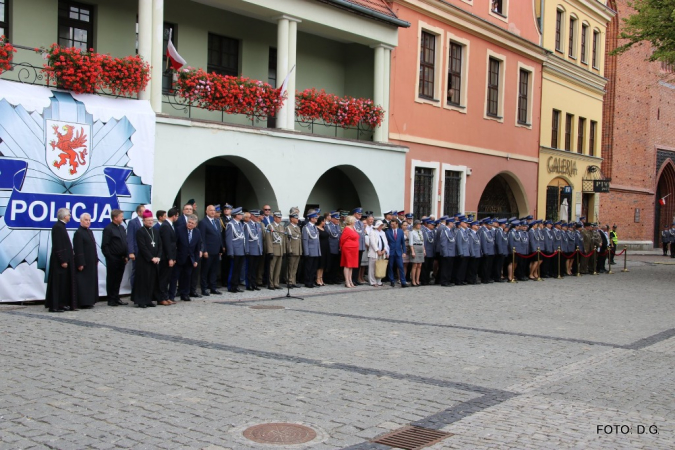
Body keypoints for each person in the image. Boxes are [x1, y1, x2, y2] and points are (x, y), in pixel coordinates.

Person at [45, 208, 76, 312]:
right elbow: (58, 245)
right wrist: (62, 260)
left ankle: (61, 304)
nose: (70, 217)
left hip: (63, 261)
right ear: (64, 216)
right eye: (69, 215)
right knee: (58, 284)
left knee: (63, 284)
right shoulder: (58, 227)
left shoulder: (61, 227)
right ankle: (55, 305)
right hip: (59, 262)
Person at [131, 210, 162, 308]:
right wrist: (151, 258)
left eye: (151, 220)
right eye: (148, 220)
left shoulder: (155, 231)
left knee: (152, 281)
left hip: (155, 261)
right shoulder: (140, 231)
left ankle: (149, 300)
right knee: (143, 281)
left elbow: (160, 245)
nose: (150, 222)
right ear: (144, 221)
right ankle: (141, 301)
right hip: (144, 261)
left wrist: (158, 256)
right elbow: (142, 247)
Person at [101, 209, 129, 307]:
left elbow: (125, 242)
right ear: (115, 217)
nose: (122, 218)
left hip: (122, 258)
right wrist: (110, 257)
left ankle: (116, 297)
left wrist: (126, 255)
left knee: (118, 279)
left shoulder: (121, 228)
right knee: (112, 279)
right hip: (113, 258)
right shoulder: (108, 229)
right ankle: (111, 299)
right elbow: (105, 245)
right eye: (121, 216)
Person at [171, 215, 202, 301]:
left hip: (190, 259)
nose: (190, 224)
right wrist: (173, 258)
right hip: (179, 258)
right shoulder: (179, 229)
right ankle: (171, 295)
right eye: (189, 222)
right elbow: (174, 245)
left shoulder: (197, 232)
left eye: (192, 223)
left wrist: (196, 260)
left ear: (195, 224)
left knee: (187, 277)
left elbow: (197, 247)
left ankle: (185, 294)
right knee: (175, 277)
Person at [73, 213, 99, 309]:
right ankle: (83, 302)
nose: (88, 222)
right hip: (84, 263)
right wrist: (80, 262)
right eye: (86, 220)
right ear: (81, 221)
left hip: (91, 262)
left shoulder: (89, 232)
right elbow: (78, 249)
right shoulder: (79, 233)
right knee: (83, 283)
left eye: (89, 220)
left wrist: (96, 258)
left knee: (91, 282)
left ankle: (90, 300)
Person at [198, 205, 223, 296]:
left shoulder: (216, 221)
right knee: (205, 271)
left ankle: (213, 287)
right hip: (208, 251)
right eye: (211, 210)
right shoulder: (203, 222)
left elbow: (219, 235)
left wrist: (221, 248)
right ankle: (204, 289)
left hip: (216, 250)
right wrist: (204, 250)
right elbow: (202, 237)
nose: (213, 212)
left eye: (214, 210)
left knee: (214, 270)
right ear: (206, 211)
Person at [158, 208, 178, 304]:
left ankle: (166, 297)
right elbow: (167, 243)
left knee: (168, 278)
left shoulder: (170, 225)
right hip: (165, 257)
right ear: (174, 216)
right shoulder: (165, 226)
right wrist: (170, 258)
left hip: (170, 256)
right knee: (164, 278)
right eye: (177, 216)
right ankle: (162, 298)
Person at [226, 207, 246, 293]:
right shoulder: (231, 224)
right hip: (235, 250)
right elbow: (229, 239)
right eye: (240, 214)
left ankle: (236, 285)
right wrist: (230, 251)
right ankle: (231, 286)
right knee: (233, 269)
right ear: (236, 215)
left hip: (241, 250)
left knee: (238, 269)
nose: (242, 215)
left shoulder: (240, 224)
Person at [244, 210, 264, 291]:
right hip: (251, 250)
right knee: (250, 268)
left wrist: (261, 250)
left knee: (255, 268)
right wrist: (247, 250)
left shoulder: (258, 225)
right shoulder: (247, 226)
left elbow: (260, 239)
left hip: (257, 250)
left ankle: (254, 283)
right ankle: (249, 284)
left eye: (257, 216)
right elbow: (246, 239)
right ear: (251, 216)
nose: (257, 218)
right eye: (255, 216)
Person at [266, 211, 286, 290]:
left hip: (280, 249)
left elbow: (283, 239)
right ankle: (271, 284)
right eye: (278, 217)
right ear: (274, 218)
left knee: (278, 268)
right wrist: (270, 251)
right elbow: (269, 240)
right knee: (272, 268)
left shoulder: (281, 227)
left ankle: (276, 283)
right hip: (274, 249)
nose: (280, 219)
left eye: (280, 217)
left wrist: (284, 251)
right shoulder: (270, 226)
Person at [126, 204, 145, 286]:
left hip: (145, 251)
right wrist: (131, 252)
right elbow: (130, 238)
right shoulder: (132, 222)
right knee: (135, 270)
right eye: (144, 211)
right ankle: (134, 290)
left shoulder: (147, 221)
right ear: (139, 212)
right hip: (136, 251)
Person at [385, 219, 408, 288]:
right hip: (391, 251)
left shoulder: (400, 232)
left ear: (397, 224)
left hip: (398, 251)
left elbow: (403, 243)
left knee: (401, 267)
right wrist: (387, 252)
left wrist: (404, 252)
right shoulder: (387, 232)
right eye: (391, 224)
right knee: (390, 266)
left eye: (393, 224)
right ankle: (392, 280)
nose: (392, 225)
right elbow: (386, 243)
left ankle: (403, 281)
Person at [302, 210, 321, 288]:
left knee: (314, 268)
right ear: (311, 218)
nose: (316, 219)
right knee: (308, 268)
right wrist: (306, 252)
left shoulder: (314, 227)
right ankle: (307, 282)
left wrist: (319, 251)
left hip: (315, 250)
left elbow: (317, 241)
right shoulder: (306, 228)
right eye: (315, 218)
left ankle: (312, 281)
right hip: (310, 251)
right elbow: (305, 240)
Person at [339, 215, 360, 288]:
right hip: (348, 248)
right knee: (347, 265)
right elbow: (342, 239)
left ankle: (350, 280)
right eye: (354, 220)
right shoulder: (347, 229)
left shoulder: (353, 228)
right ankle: (347, 281)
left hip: (354, 248)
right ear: (351, 221)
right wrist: (341, 247)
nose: (355, 222)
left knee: (351, 266)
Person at [368, 220, 388, 286]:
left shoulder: (383, 233)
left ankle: (379, 280)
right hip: (374, 252)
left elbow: (385, 242)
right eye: (380, 225)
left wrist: (384, 249)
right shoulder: (372, 232)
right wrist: (377, 250)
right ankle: (372, 281)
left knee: (380, 267)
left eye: (382, 225)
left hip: (382, 252)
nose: (381, 227)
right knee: (372, 267)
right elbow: (373, 242)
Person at [286, 212, 302, 287]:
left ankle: (293, 281)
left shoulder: (297, 227)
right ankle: (289, 281)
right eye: (296, 218)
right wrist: (289, 250)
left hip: (298, 250)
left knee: (295, 267)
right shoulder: (288, 228)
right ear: (292, 219)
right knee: (290, 267)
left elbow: (299, 239)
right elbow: (288, 241)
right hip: (292, 249)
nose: (297, 219)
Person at [325, 212, 342, 284]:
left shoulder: (338, 226)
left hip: (337, 247)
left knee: (336, 265)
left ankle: (334, 278)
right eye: (336, 219)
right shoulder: (328, 226)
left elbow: (340, 235)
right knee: (330, 264)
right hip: (331, 247)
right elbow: (333, 235)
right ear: (332, 219)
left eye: (338, 219)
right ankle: (329, 279)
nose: (338, 220)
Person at [408, 220, 425, 286]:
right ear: (415, 225)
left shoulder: (420, 232)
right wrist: (412, 251)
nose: (419, 225)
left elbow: (423, 241)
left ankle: (417, 280)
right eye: (418, 224)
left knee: (419, 265)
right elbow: (411, 243)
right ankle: (413, 280)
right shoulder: (412, 232)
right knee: (415, 265)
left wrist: (424, 250)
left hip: (420, 246)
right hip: (415, 247)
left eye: (420, 224)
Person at [316, 216, 330, 286]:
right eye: (324, 221)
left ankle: (321, 278)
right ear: (321, 221)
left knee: (323, 264)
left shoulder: (324, 228)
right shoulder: (317, 228)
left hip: (326, 248)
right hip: (321, 247)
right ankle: (317, 278)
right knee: (320, 264)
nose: (325, 222)